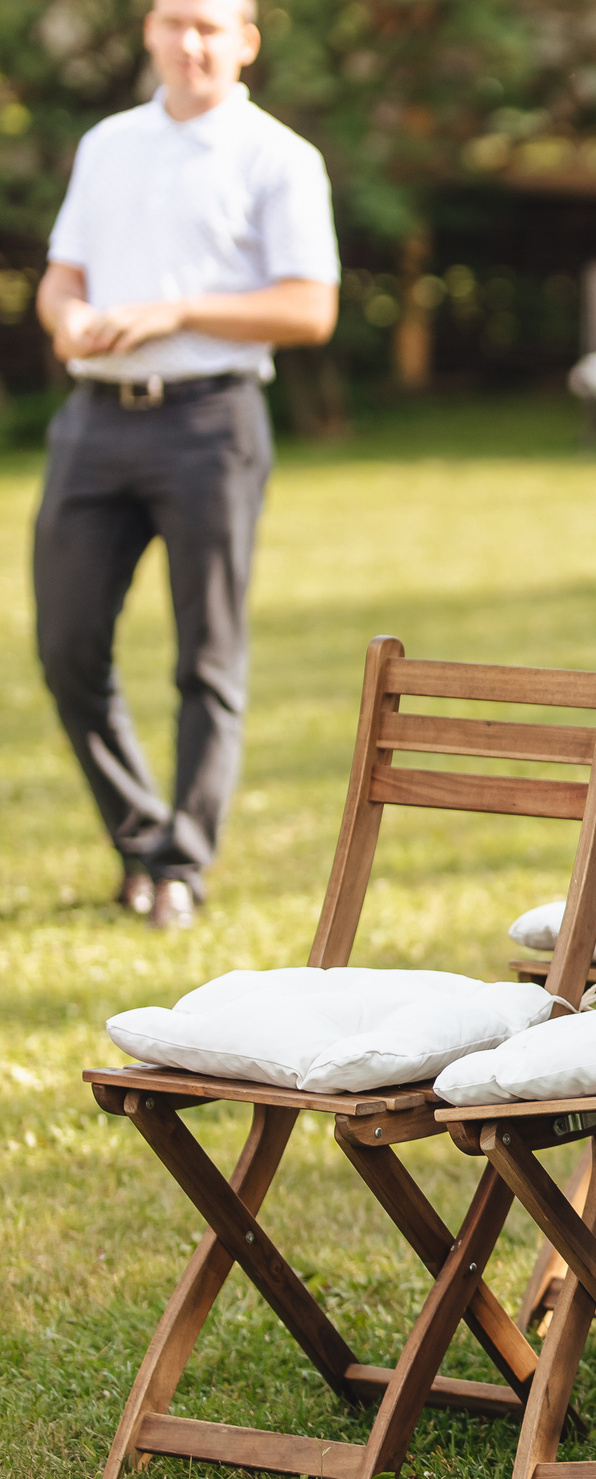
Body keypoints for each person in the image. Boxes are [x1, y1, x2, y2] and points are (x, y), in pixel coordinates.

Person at [32, 0, 337, 931]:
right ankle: (138, 834)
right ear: (150, 33)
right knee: (67, 646)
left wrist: (176, 313)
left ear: (245, 41)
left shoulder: (278, 157)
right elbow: (62, 275)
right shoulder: (108, 144)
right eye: (174, 22)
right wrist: (66, 320)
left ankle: (180, 864)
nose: (191, 42)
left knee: (206, 656)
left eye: (211, 26)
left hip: (212, 422)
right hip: (93, 421)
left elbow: (309, 308)